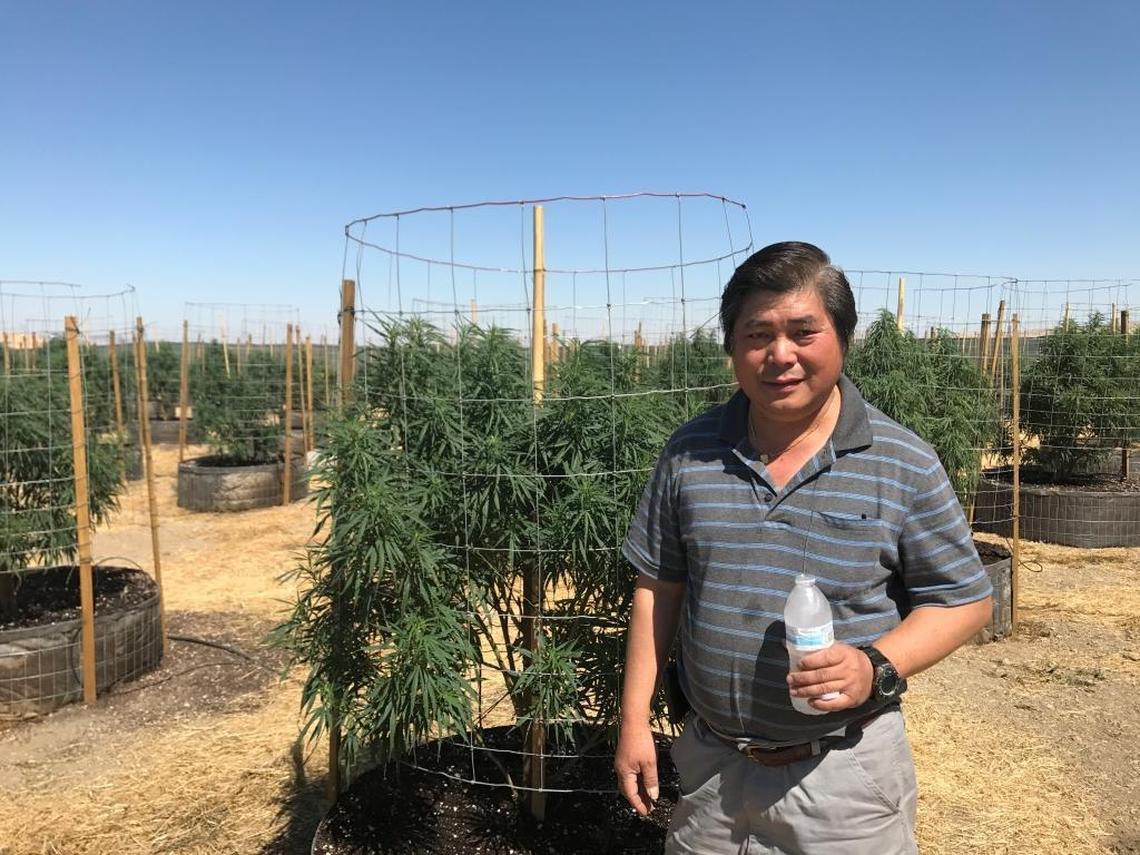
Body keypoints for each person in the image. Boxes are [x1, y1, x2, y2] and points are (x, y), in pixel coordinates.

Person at [614, 241, 993, 854]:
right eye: (757, 333)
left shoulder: (901, 461)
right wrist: (634, 722)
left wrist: (875, 665)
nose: (779, 354)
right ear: (732, 345)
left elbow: (965, 601)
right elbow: (659, 587)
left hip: (843, 777)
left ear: (842, 339)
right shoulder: (690, 453)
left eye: (802, 331)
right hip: (711, 766)